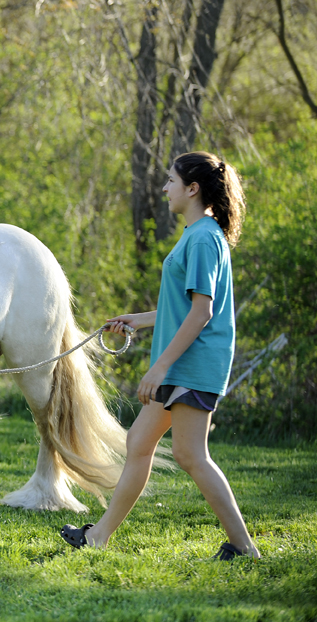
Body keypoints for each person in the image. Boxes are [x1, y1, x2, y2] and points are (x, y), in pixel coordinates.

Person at [60, 151, 261, 560]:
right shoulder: (197, 234)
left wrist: (161, 366)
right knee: (139, 442)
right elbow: (184, 308)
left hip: (193, 363)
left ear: (193, 188)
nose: (164, 188)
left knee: (191, 455)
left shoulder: (203, 237)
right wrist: (140, 320)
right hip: (185, 362)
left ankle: (244, 547)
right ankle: (98, 536)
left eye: (171, 180)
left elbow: (203, 313)